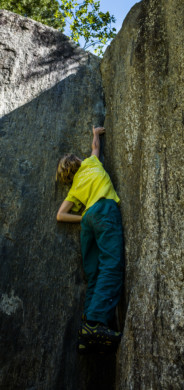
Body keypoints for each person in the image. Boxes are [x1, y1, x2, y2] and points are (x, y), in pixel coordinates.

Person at [56, 126, 124, 352]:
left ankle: (87, 329)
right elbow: (96, 147)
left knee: (94, 272)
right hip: (104, 210)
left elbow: (60, 215)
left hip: (88, 221)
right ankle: (96, 324)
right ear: (77, 162)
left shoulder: (74, 189)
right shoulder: (90, 163)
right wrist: (96, 132)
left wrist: (83, 216)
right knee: (111, 264)